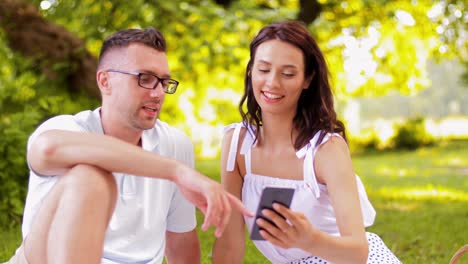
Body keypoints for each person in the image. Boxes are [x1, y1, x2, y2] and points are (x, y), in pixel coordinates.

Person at [6, 27, 252, 264]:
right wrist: (177, 171)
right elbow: (47, 149)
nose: (158, 93)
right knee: (91, 178)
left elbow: (181, 242)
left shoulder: (174, 144)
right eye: (145, 79)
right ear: (105, 81)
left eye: (164, 82)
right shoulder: (68, 129)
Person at [212, 21, 401, 263]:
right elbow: (230, 242)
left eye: (288, 73)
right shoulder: (236, 145)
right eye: (263, 69)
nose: (272, 82)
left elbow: (358, 252)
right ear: (251, 71)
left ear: (307, 79)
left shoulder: (326, 150)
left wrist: (309, 239)